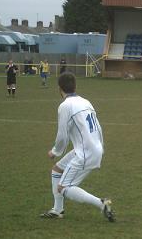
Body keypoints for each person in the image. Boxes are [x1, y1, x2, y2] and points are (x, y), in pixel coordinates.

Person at [39, 72, 115, 221]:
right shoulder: (85, 101)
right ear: (75, 86)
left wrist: (55, 151)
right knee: (56, 170)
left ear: (59, 88)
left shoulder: (65, 106)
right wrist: (100, 146)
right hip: (91, 148)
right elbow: (98, 127)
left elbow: (62, 135)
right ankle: (58, 210)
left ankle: (102, 203)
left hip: (86, 152)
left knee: (64, 188)